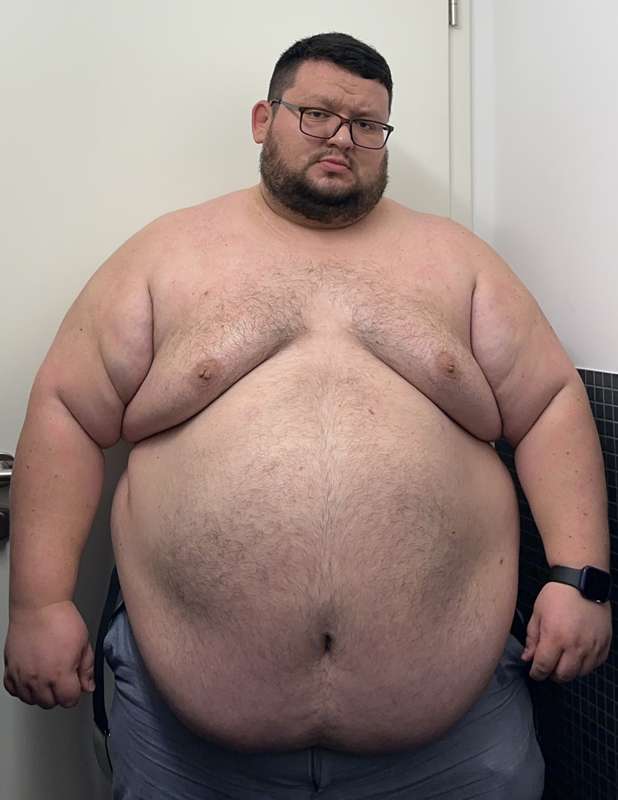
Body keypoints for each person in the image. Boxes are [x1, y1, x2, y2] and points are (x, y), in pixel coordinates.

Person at [3, 31, 612, 800]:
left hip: (457, 739)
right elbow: (66, 412)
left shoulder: (458, 262)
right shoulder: (165, 256)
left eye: (367, 124)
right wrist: (38, 603)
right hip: (185, 742)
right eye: (316, 114)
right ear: (265, 119)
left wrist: (580, 579)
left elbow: (550, 403)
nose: (342, 138)